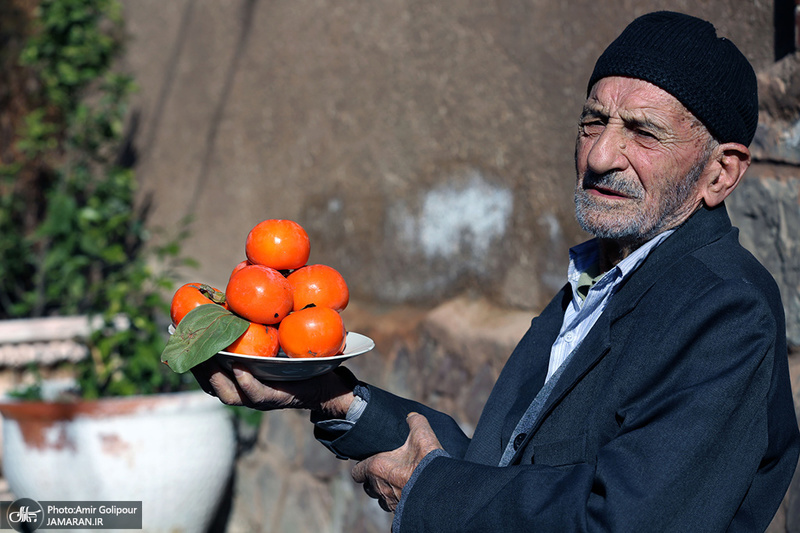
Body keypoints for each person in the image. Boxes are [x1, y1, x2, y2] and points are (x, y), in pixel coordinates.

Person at [193, 11, 800, 532]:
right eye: (594, 120)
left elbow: (622, 522)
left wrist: (429, 496)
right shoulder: (604, 278)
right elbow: (500, 479)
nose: (600, 155)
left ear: (720, 173)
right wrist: (326, 393)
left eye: (643, 132)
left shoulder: (725, 309)